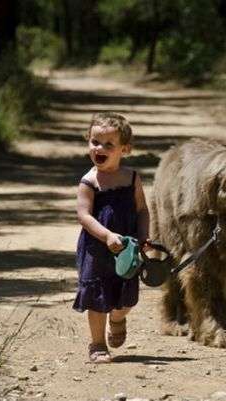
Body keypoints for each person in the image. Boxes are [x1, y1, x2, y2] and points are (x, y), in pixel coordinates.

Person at [73, 112, 149, 363]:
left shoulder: (132, 178)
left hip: (127, 248)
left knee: (127, 296)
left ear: (124, 149)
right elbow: (84, 215)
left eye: (108, 144)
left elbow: (142, 210)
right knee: (97, 295)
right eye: (95, 142)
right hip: (96, 248)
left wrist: (144, 236)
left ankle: (117, 318)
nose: (100, 148)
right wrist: (106, 236)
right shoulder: (89, 181)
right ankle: (97, 344)